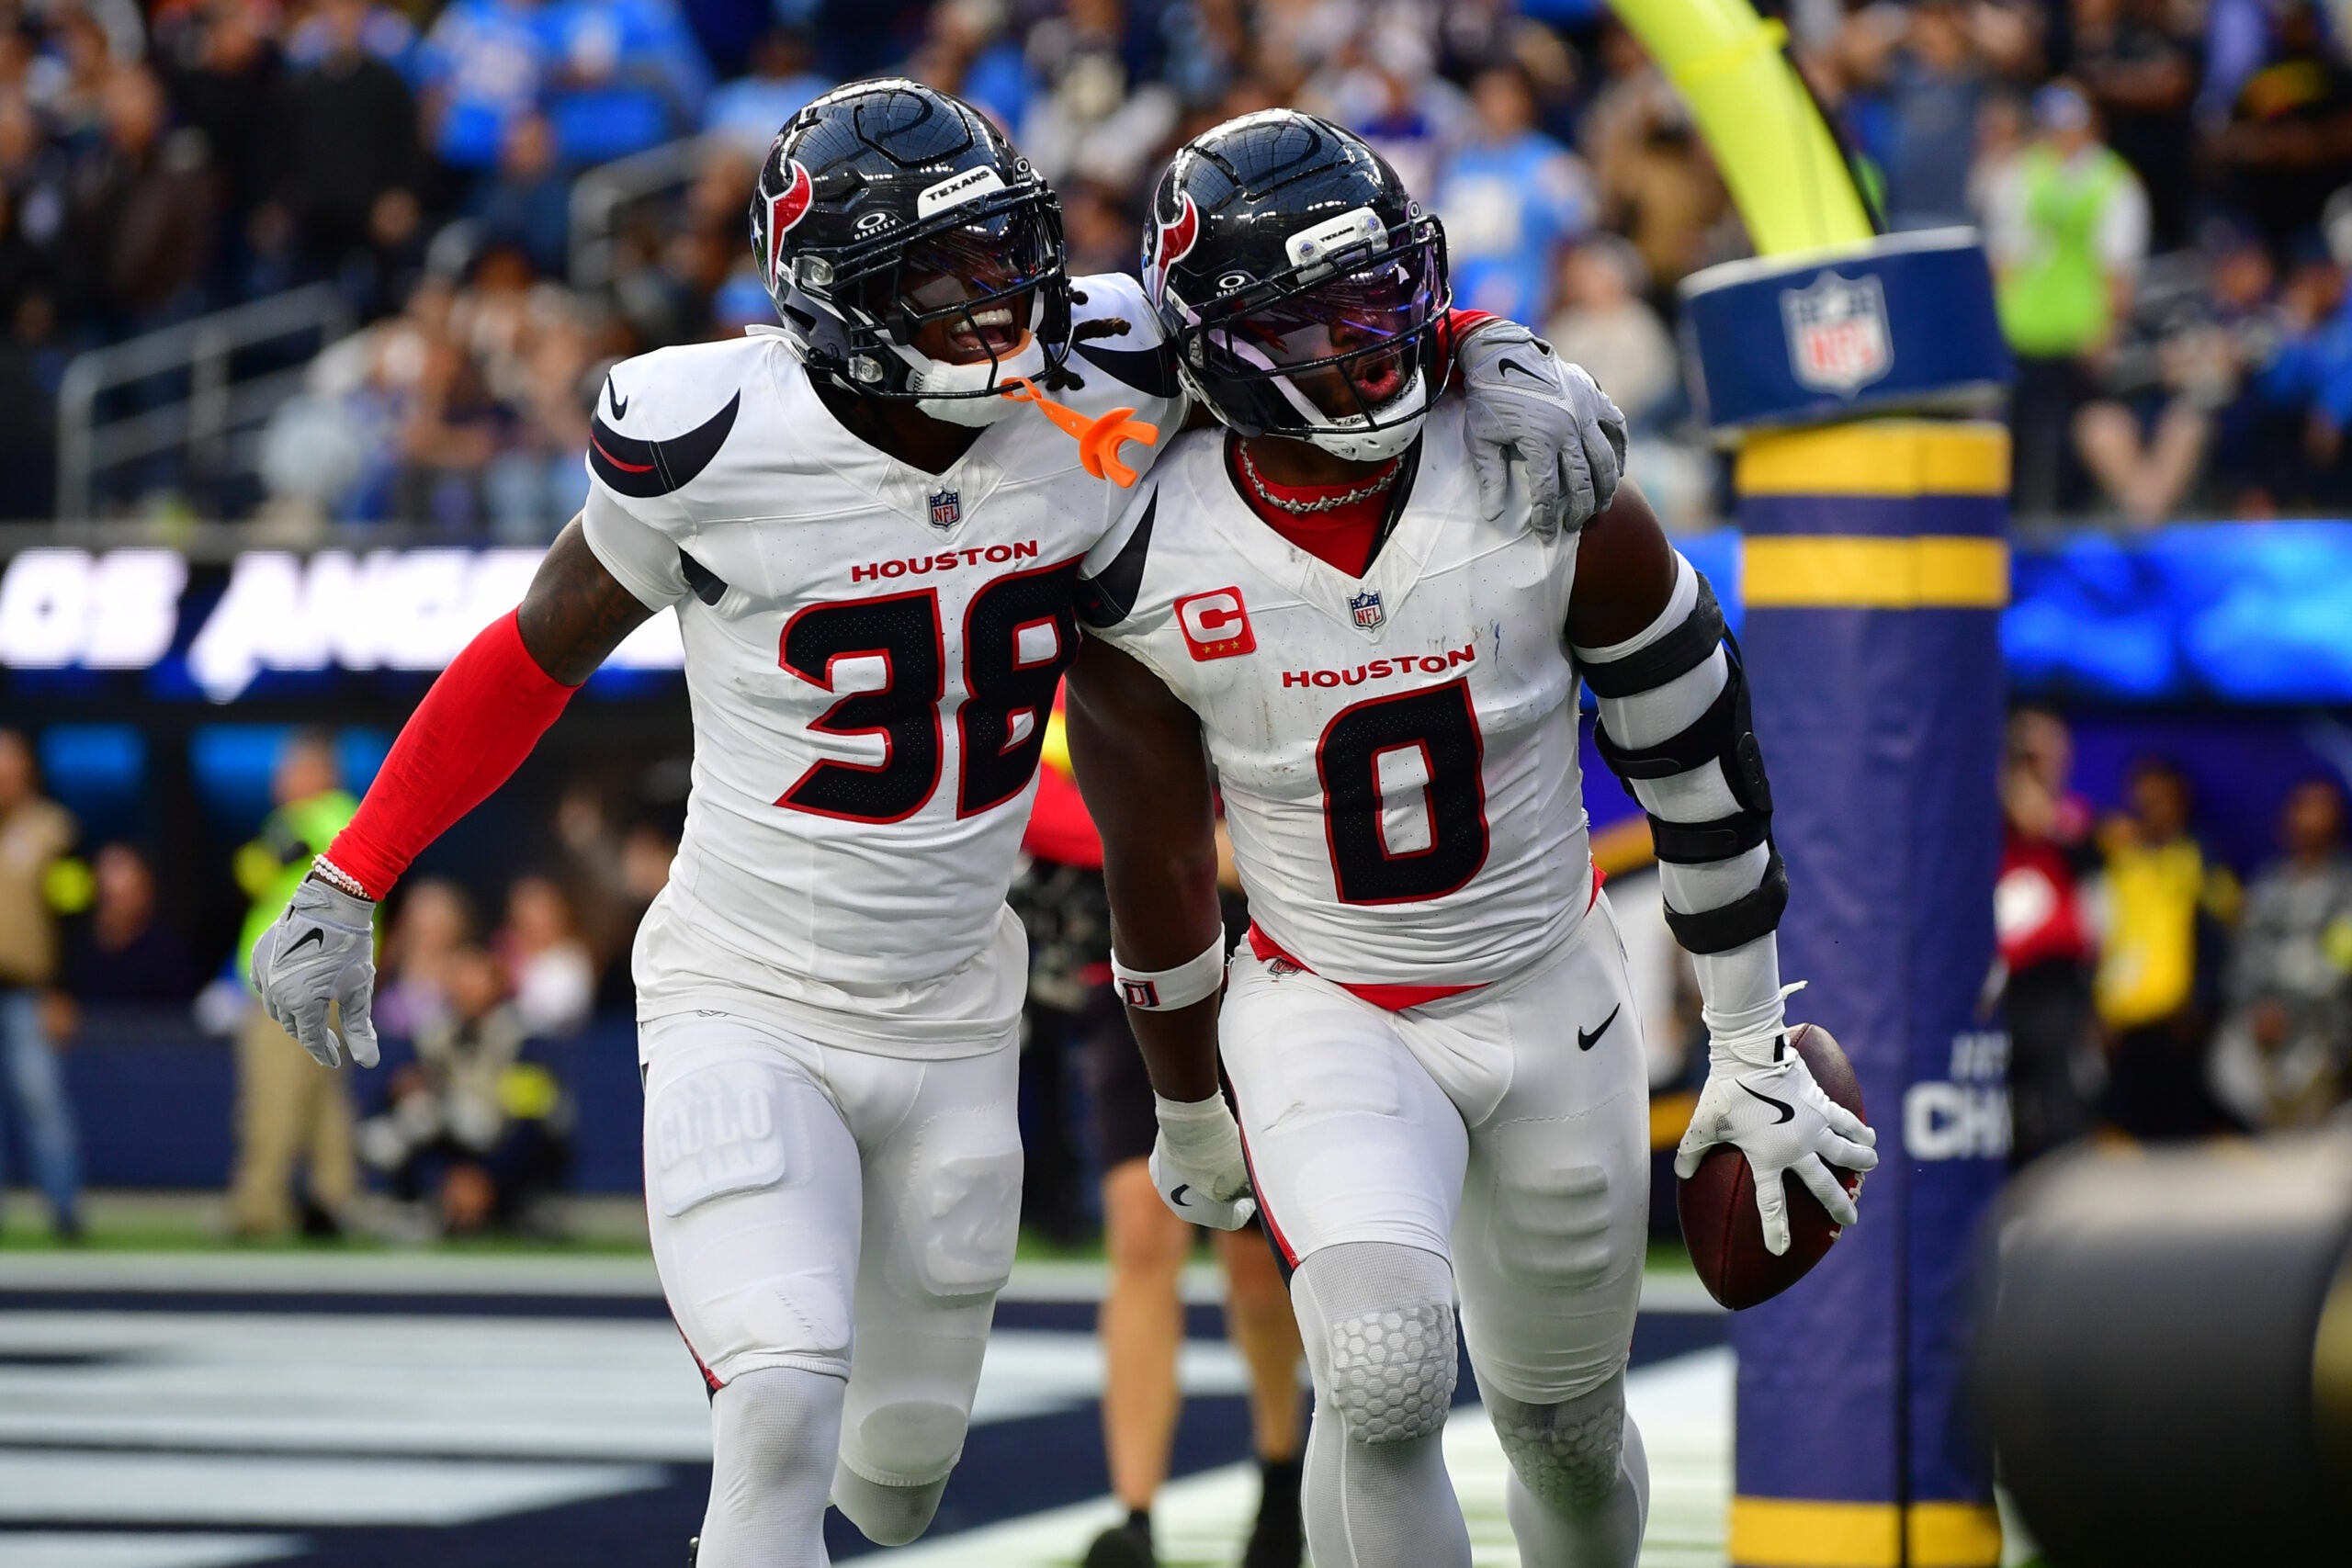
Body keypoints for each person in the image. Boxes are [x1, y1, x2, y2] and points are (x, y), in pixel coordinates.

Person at [245, 79, 1623, 1568]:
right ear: (835, 300)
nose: (998, 305)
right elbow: (535, 653)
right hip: (746, 993)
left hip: (958, 1010)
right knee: (774, 1415)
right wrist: (354, 865)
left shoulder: (1100, 366)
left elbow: (1313, 290)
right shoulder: (713, 441)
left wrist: (1498, 350)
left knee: (896, 1477)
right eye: (943, 279)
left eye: (1005, 256)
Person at [1064, 112, 1875, 1568]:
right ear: (1222, 343)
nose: (1370, 340)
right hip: (1330, 1002)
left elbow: (1701, 769)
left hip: (1551, 988)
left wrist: (1749, 1035)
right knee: (1376, 1375)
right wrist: (1186, 1101)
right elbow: (1162, 871)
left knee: (1562, 1432)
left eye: (1382, 291)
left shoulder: (1545, 478)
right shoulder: (1139, 549)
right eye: (1313, 319)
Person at [1016, 705, 1306, 1568]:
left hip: (1253, 954)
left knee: (1254, 1258)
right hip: (1132, 963)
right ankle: (1134, 1514)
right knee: (1141, 1233)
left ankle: (1281, 1468)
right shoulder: (1060, 647)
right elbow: (1041, 800)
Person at [1983, 82, 2150, 514]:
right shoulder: (2019, 173)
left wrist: (2108, 327)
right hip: (2024, 330)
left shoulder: (2112, 182)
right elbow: (2004, 259)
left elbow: (2119, 267)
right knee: (2020, 441)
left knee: (2079, 440)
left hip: (2080, 332)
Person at [228, 730, 363, 1240]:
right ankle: (335, 1202)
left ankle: (258, 1207)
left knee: (274, 1097)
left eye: (293, 768)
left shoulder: (319, 819)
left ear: (322, 773)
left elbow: (257, 869)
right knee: (321, 1102)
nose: (281, 779)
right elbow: (254, 875)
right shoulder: (333, 822)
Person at [2093, 757, 2241, 1139]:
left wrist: (2201, 1002)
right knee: (2122, 1127)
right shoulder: (2120, 858)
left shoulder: (2200, 859)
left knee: (2179, 1129)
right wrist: (2099, 1009)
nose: (2150, 810)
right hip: (2123, 1023)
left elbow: (2220, 934)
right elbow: (2102, 935)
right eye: (2142, 800)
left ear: (2179, 802)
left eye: (2160, 800)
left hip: (2179, 1023)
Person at [2210, 778, 2352, 1129]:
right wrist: (2261, 1007)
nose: (2310, 820)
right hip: (2263, 1036)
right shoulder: (2265, 885)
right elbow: (2245, 957)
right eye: (2302, 809)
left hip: (2326, 1036)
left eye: (2321, 810)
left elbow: (2339, 962)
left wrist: (2290, 1009)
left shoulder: (2346, 888)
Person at [1996, 713, 2101, 1164]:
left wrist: (2027, 778)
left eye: (2047, 751)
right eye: (2028, 750)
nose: (2038, 760)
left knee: (2060, 1088)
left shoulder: (2072, 815)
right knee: (2005, 1095)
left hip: (2055, 980)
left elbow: (2041, 821)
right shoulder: (1990, 808)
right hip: (2001, 980)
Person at [0, 729, 83, 1240]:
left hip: (29, 989)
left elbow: (71, 913)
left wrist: (62, 988)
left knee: (41, 1100)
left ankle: (64, 1211)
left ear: (27, 769)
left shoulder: (54, 829)